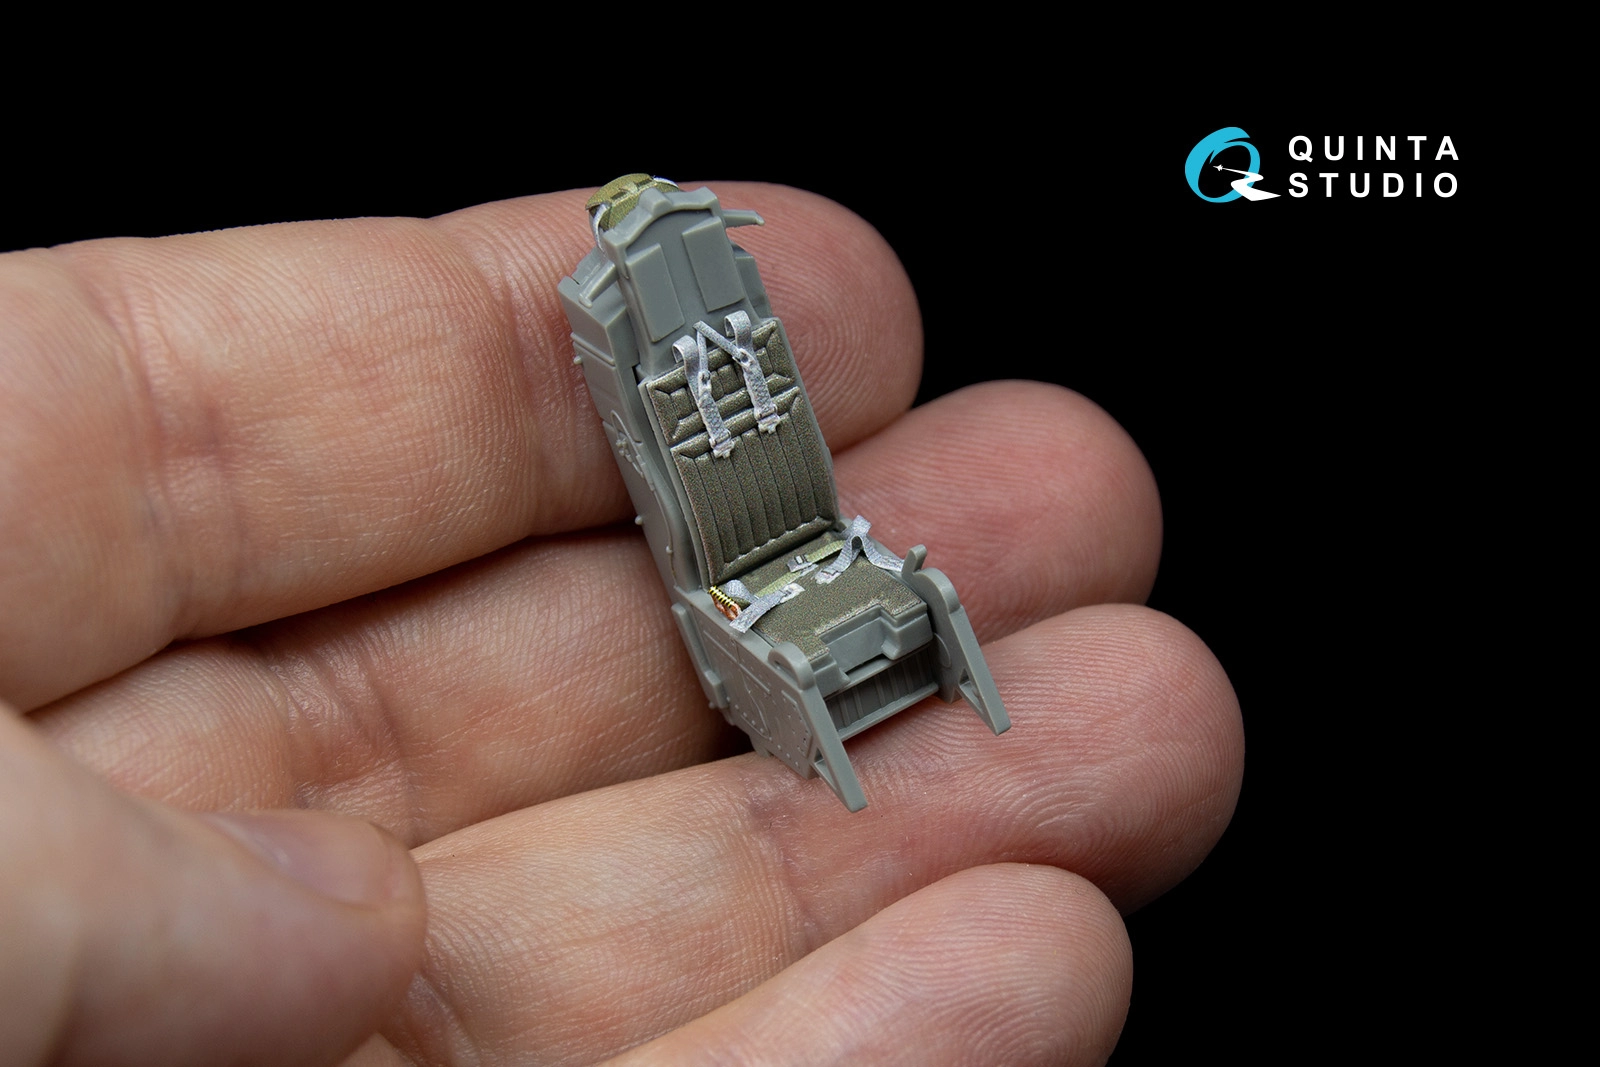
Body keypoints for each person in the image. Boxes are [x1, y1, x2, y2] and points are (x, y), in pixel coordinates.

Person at [0, 182, 1243, 1067]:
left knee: (932, 582)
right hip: (734, 569)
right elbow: (679, 488)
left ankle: (935, 675)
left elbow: (778, 448)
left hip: (799, 524)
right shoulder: (616, 333)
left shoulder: (746, 334)